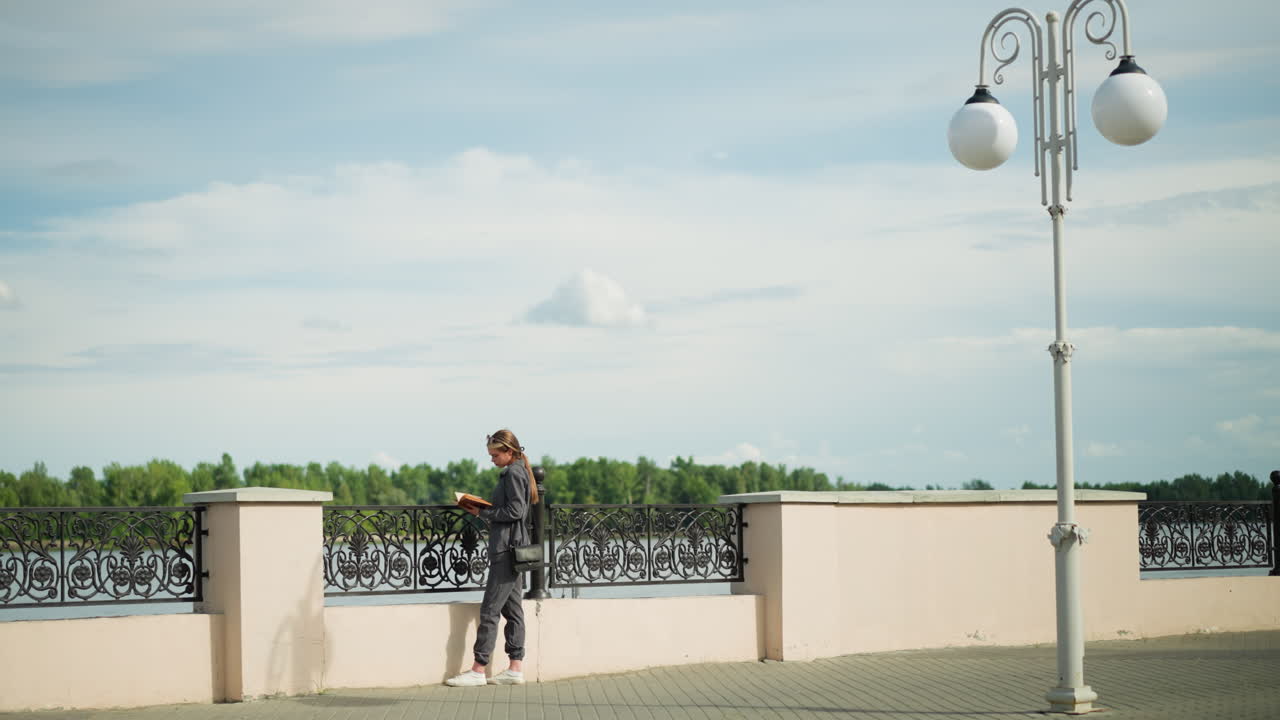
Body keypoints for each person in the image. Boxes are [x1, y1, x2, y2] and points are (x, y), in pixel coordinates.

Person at [446, 429, 540, 687]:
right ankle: (515, 668)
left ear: (509, 451)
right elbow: (516, 509)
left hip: (506, 550)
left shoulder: (512, 472)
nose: (492, 459)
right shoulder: (519, 470)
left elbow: (515, 510)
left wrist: (483, 512)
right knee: (513, 610)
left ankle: (478, 669)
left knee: (489, 611)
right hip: (513, 549)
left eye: (495, 454)